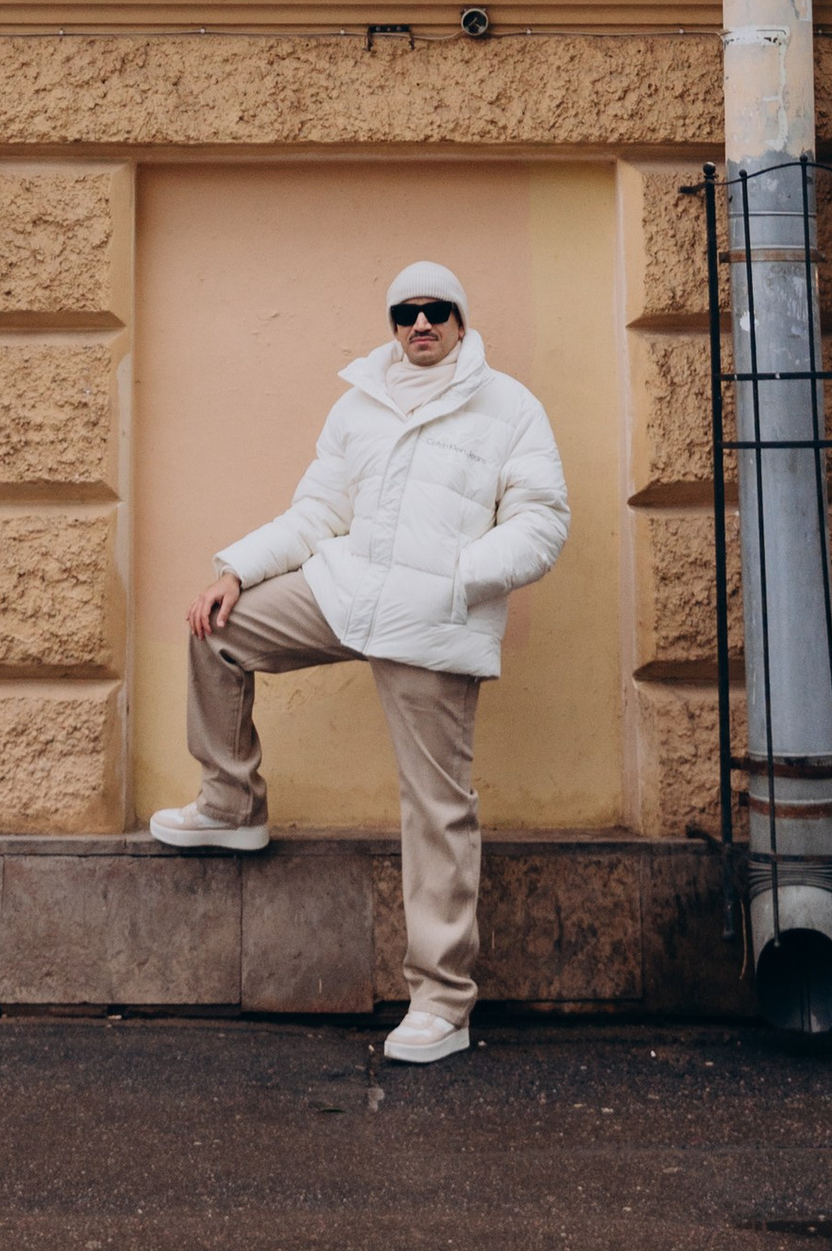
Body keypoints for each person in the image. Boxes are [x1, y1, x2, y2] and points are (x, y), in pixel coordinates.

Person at [150, 257, 570, 1065]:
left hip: (433, 622)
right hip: (345, 591)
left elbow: (543, 521)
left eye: (436, 310)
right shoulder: (359, 404)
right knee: (216, 631)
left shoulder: (508, 406)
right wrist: (235, 569)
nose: (420, 324)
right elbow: (318, 511)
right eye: (405, 312)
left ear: (460, 319)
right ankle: (231, 803)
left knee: (437, 807)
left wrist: (457, 578)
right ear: (392, 323)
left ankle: (443, 1003)